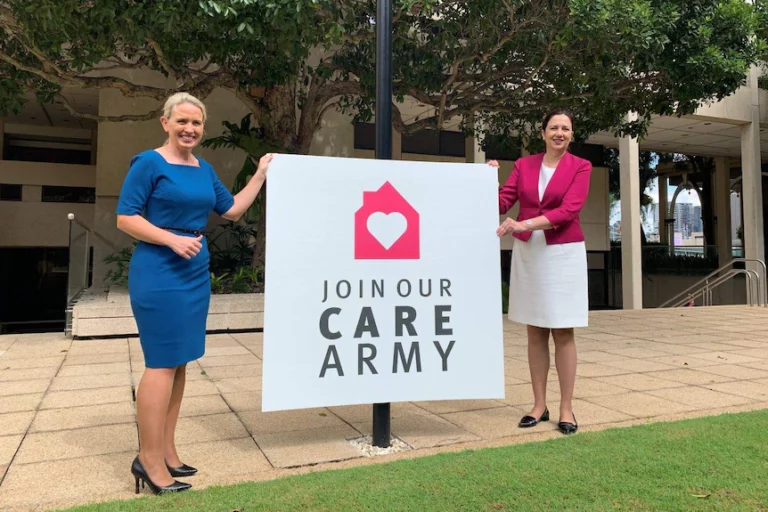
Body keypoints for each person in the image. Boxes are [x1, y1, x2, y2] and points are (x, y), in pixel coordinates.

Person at [116, 92, 273, 494]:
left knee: (182, 361)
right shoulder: (148, 163)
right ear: (164, 122)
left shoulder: (203, 169)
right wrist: (170, 239)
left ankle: (167, 450)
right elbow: (126, 218)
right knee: (162, 363)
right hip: (159, 270)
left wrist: (260, 174)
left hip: (194, 272)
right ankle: (147, 460)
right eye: (182, 121)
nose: (189, 129)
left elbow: (232, 210)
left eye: (197, 123)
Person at [490, 109, 591, 435]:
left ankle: (565, 408)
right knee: (535, 330)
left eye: (566, 128)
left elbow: (569, 210)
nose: (559, 133)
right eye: (553, 127)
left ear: (571, 134)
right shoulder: (524, 165)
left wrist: (524, 223)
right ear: (543, 132)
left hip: (563, 253)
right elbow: (502, 202)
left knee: (562, 331)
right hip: (530, 253)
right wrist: (485, 180)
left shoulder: (581, 166)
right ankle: (538, 405)